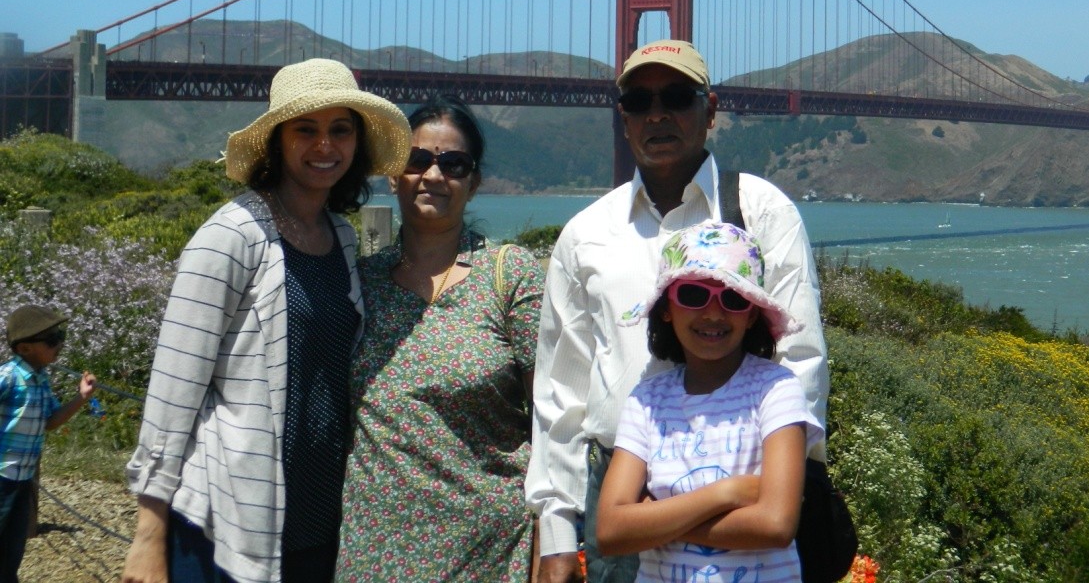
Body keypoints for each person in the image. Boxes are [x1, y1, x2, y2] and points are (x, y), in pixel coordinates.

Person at [527, 39, 828, 583]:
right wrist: (556, 534)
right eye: (639, 101)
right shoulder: (585, 234)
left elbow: (801, 358)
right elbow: (560, 392)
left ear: (709, 110)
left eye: (677, 96)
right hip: (617, 490)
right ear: (623, 118)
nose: (657, 113)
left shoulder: (762, 210)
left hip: (748, 494)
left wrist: (774, 490)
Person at [121, 58, 411, 583]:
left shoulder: (341, 238)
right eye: (306, 130)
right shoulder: (231, 235)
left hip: (318, 519)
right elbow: (173, 389)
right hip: (229, 521)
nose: (325, 146)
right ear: (277, 141)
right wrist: (148, 534)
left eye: (340, 130)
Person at [336, 95, 544, 582]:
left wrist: (549, 539)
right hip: (373, 552)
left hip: (489, 552)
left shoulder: (509, 274)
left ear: (474, 182)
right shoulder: (359, 281)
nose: (434, 175)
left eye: (453, 164)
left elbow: (549, 422)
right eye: (417, 160)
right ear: (393, 175)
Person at [596, 222, 821, 583]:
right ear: (667, 308)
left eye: (733, 298)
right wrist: (726, 493)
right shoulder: (647, 401)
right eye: (692, 295)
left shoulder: (775, 389)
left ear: (751, 315)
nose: (713, 313)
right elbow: (609, 530)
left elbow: (776, 524)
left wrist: (655, 520)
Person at [0, 305, 97, 583]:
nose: (60, 344)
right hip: (2, 475)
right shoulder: (8, 377)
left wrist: (82, 397)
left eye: (60, 335)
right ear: (24, 348)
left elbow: (51, 421)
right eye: (52, 339)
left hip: (23, 479)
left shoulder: (41, 379)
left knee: (12, 546)